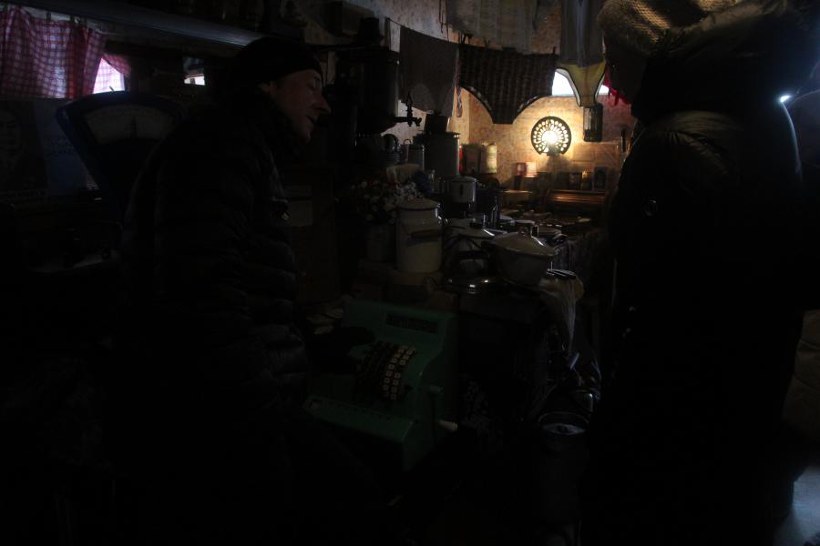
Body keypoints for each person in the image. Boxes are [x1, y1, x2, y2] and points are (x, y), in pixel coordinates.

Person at [114, 37, 388, 545]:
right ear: (267, 86)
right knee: (348, 503)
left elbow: (246, 284)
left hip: (233, 396)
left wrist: (305, 344)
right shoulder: (221, 147)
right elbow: (203, 295)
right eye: (312, 86)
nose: (324, 104)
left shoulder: (241, 146)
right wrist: (257, 416)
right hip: (217, 411)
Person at [581, 1, 820, 545]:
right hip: (739, 410)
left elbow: (657, 317)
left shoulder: (677, 141)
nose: (610, 74)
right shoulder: (759, 114)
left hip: (674, 425)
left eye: (614, 55)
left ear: (647, 49)